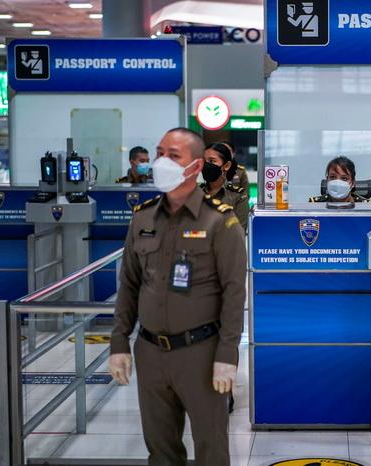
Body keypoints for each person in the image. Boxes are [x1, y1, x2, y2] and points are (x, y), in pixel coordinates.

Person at [109, 128, 246, 466]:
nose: (160, 162)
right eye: (159, 153)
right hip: (151, 352)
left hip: (201, 354)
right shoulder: (142, 218)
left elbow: (234, 291)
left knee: (211, 450)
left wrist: (228, 354)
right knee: (161, 451)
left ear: (195, 166)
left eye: (173, 156)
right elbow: (129, 283)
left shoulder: (220, 222)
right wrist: (119, 341)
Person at [202, 142, 249, 232]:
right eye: (204, 161)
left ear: (226, 166)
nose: (206, 165)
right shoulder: (196, 193)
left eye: (212, 161)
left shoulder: (237, 196)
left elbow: (239, 232)